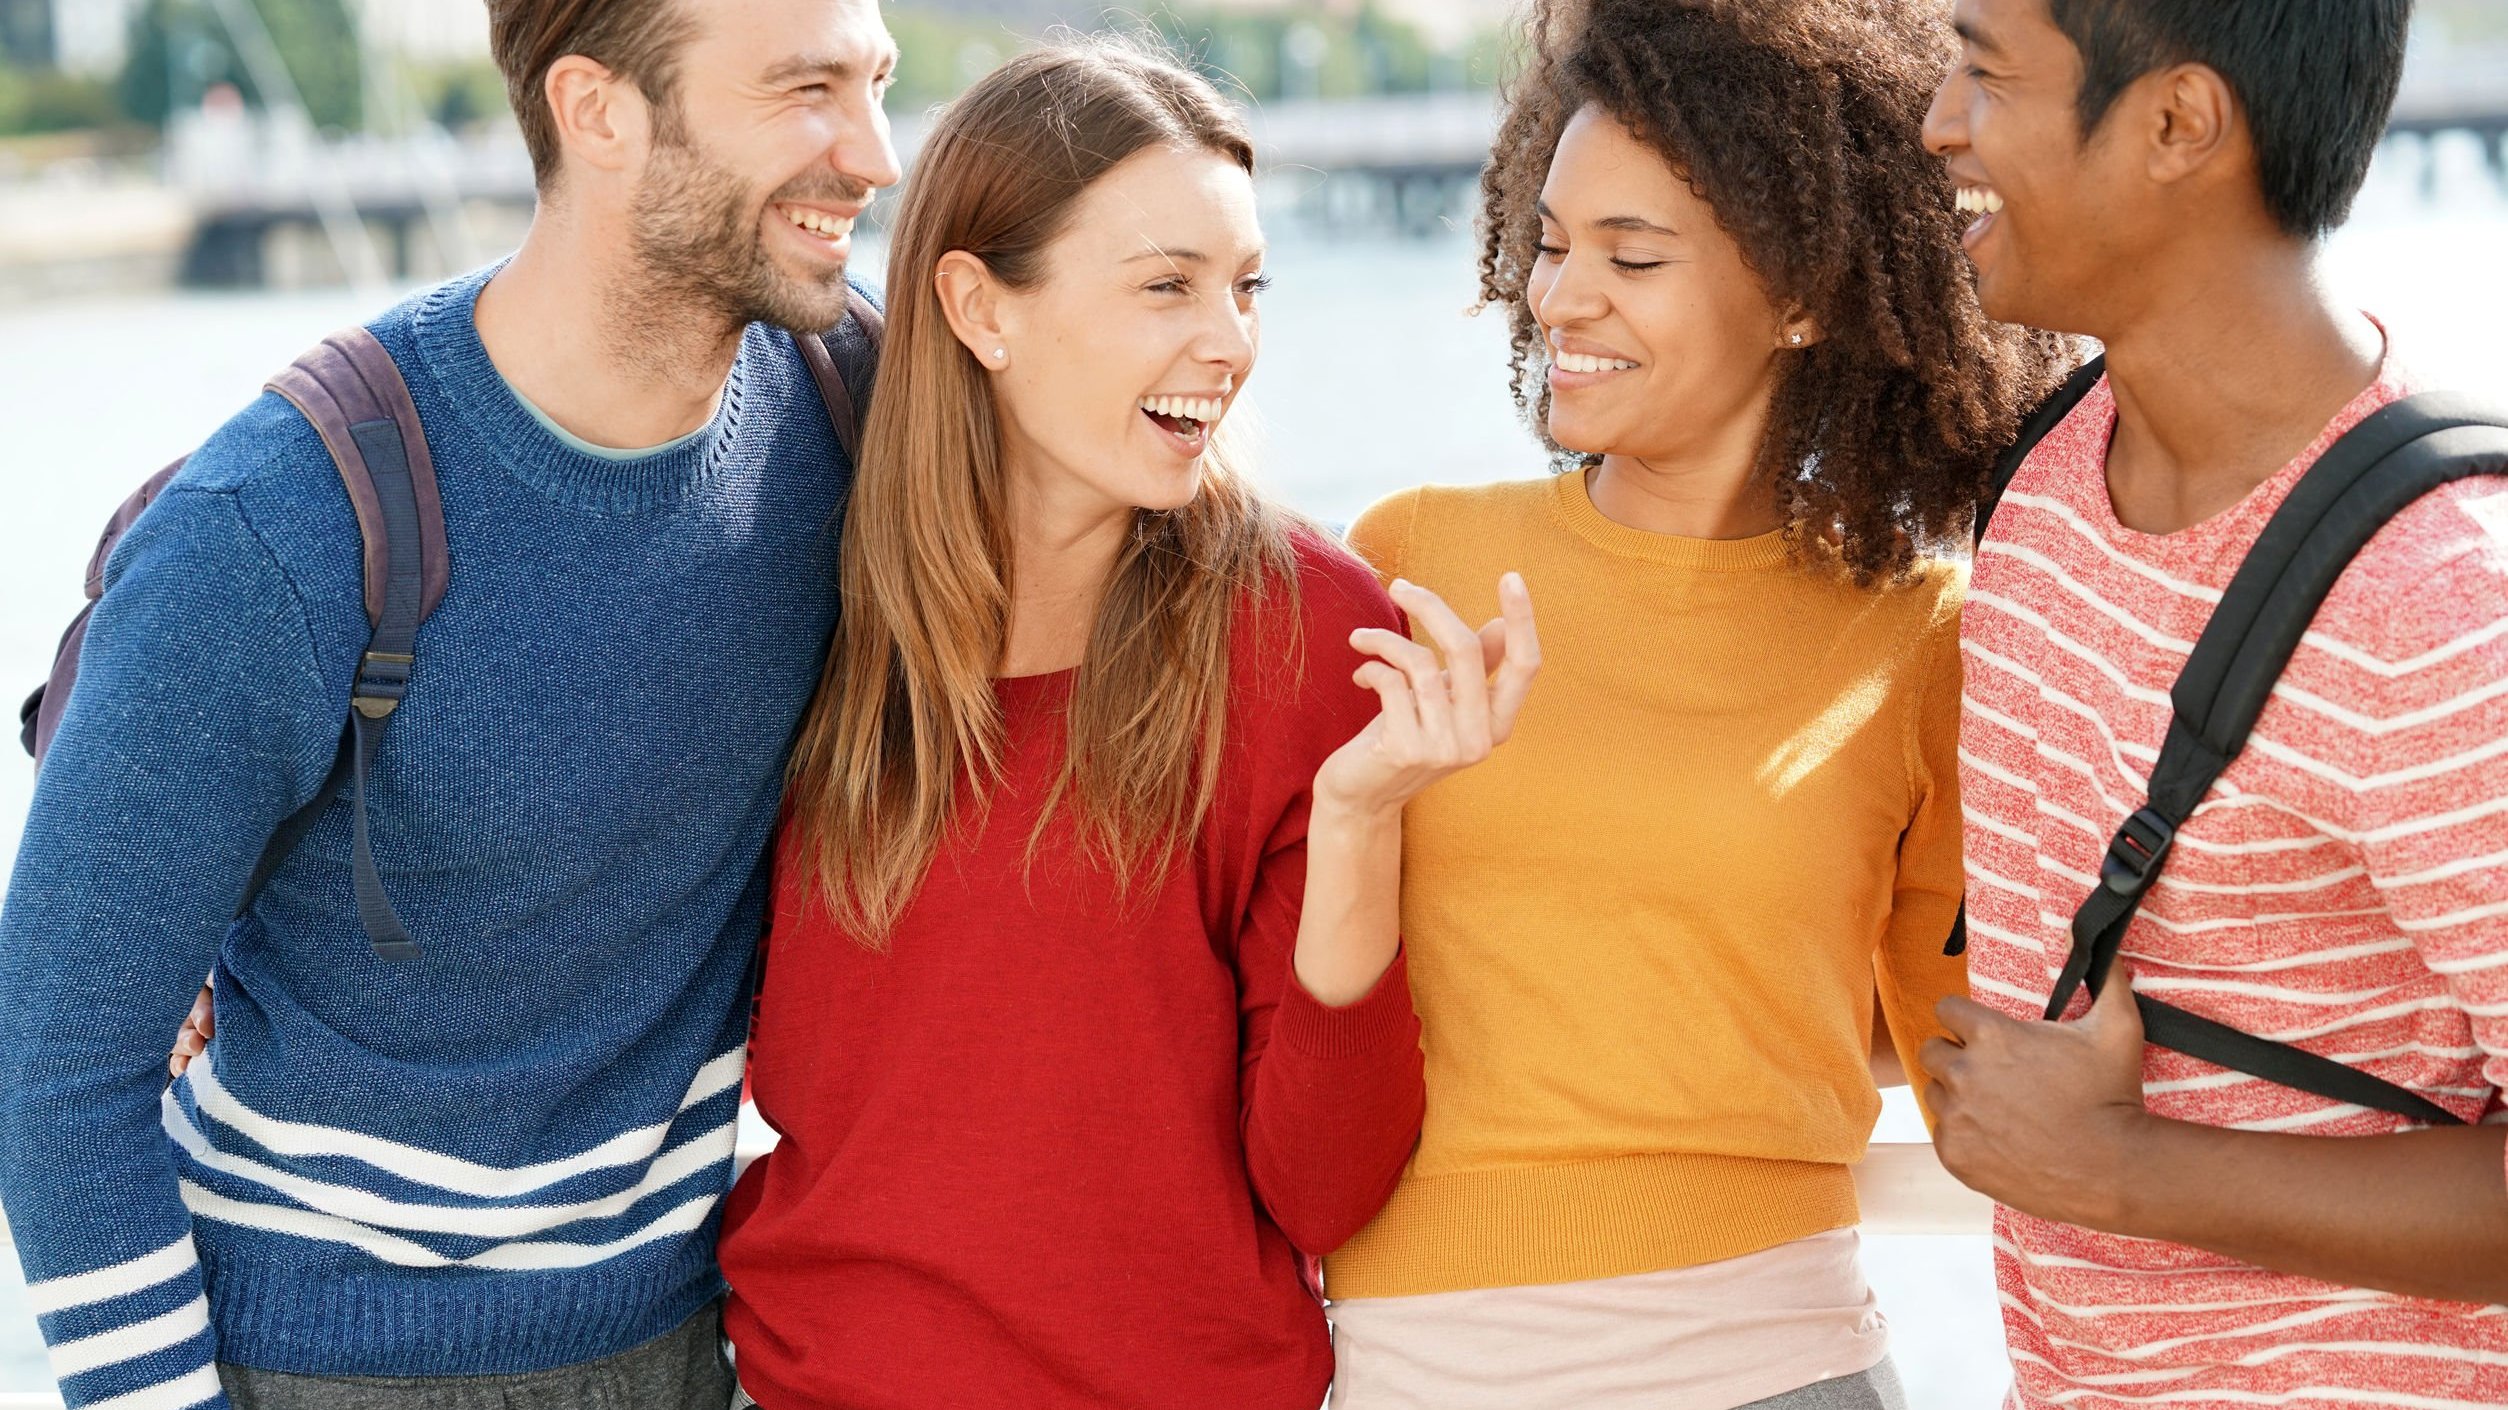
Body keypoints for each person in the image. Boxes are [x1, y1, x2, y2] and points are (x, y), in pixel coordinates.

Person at [0, 0, 900, 1406]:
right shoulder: (283, 519)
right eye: (807, 90)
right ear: (597, 110)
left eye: (877, 83)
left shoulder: (852, 409)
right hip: (310, 1362)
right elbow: (58, 1066)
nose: (875, 153)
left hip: (687, 1338)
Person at [712, 40, 1539, 1410]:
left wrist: (1362, 813)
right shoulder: (802, 596)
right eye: (1167, 285)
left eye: (1244, 285)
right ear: (981, 307)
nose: (1229, 339)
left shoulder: (1307, 632)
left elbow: (1324, 1187)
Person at [1319, 2, 2055, 1407]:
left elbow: (1957, 1047)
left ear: (1803, 294)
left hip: (1779, 1357)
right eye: (1549, 245)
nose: (1558, 298)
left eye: (1631, 256)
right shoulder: (1409, 557)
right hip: (1410, 1365)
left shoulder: (1924, 636)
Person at [1920, 0, 2508, 1403]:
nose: (1937, 118)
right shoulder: (2041, 487)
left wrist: (2125, 1170)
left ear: (2178, 124)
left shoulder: (2439, 608)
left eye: (1985, 74)